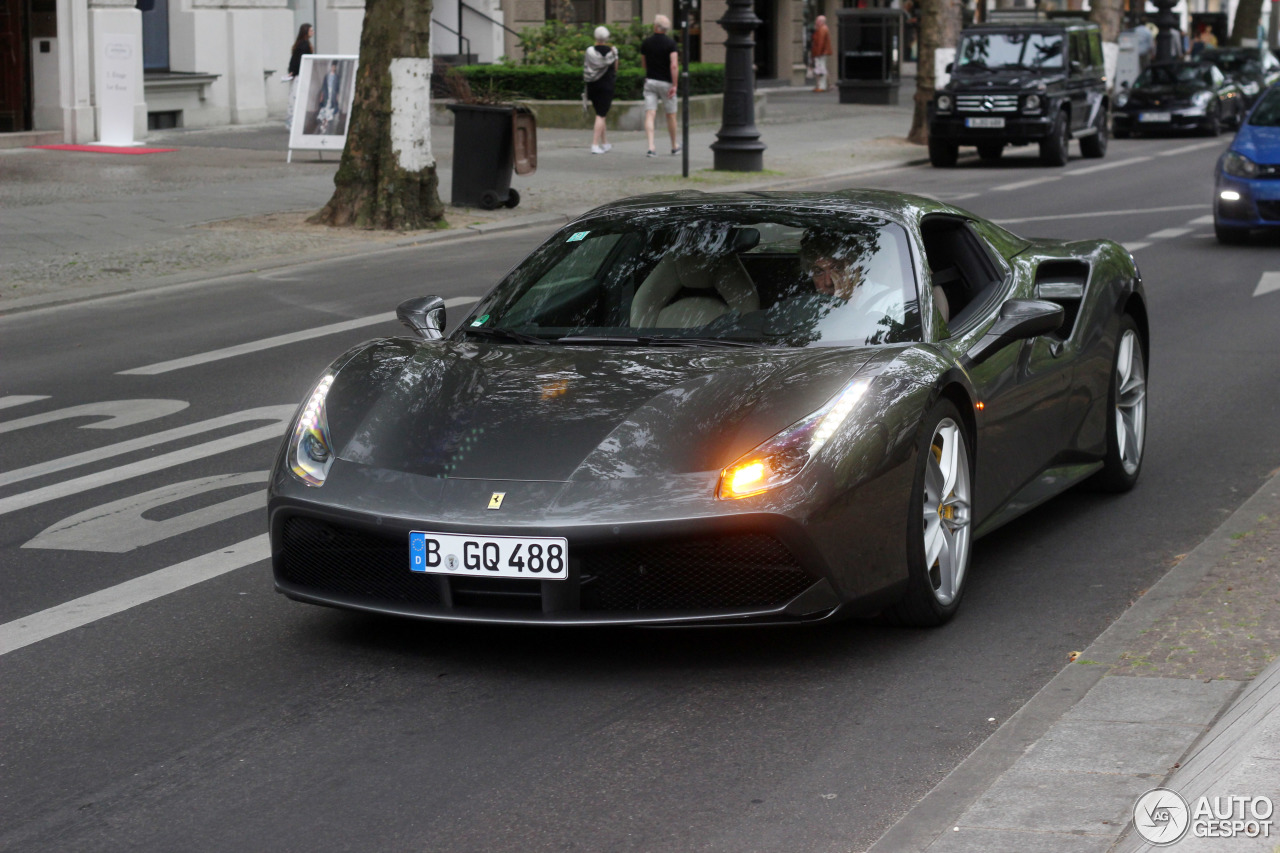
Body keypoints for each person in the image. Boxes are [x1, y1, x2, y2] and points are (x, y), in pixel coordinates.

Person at [640, 14, 680, 157]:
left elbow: (644, 64)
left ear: (655, 27)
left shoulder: (646, 43)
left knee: (650, 114)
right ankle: (674, 145)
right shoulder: (671, 44)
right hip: (666, 83)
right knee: (671, 115)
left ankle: (651, 147)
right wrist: (675, 84)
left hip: (650, 82)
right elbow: (674, 65)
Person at [583, 26, 619, 154]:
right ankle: (594, 145)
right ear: (607, 38)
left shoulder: (589, 51)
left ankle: (605, 143)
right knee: (601, 115)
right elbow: (615, 68)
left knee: (599, 113)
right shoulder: (613, 52)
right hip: (606, 85)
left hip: (592, 85)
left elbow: (586, 66)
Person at [285, 23, 313, 130]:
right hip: (300, 75)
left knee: (294, 98)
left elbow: (294, 60)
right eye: (311, 30)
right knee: (299, 98)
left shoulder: (299, 44)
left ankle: (292, 122)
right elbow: (301, 61)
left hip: (297, 74)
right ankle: (296, 123)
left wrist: (291, 71)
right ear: (306, 32)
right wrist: (295, 71)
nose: (312, 32)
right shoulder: (304, 45)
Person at [811, 15, 833, 93]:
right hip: (822, 52)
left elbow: (820, 42)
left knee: (820, 69)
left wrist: (818, 53)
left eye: (817, 20)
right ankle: (825, 85)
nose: (815, 22)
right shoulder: (822, 28)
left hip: (820, 52)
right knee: (822, 68)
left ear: (820, 21)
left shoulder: (822, 29)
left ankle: (822, 86)